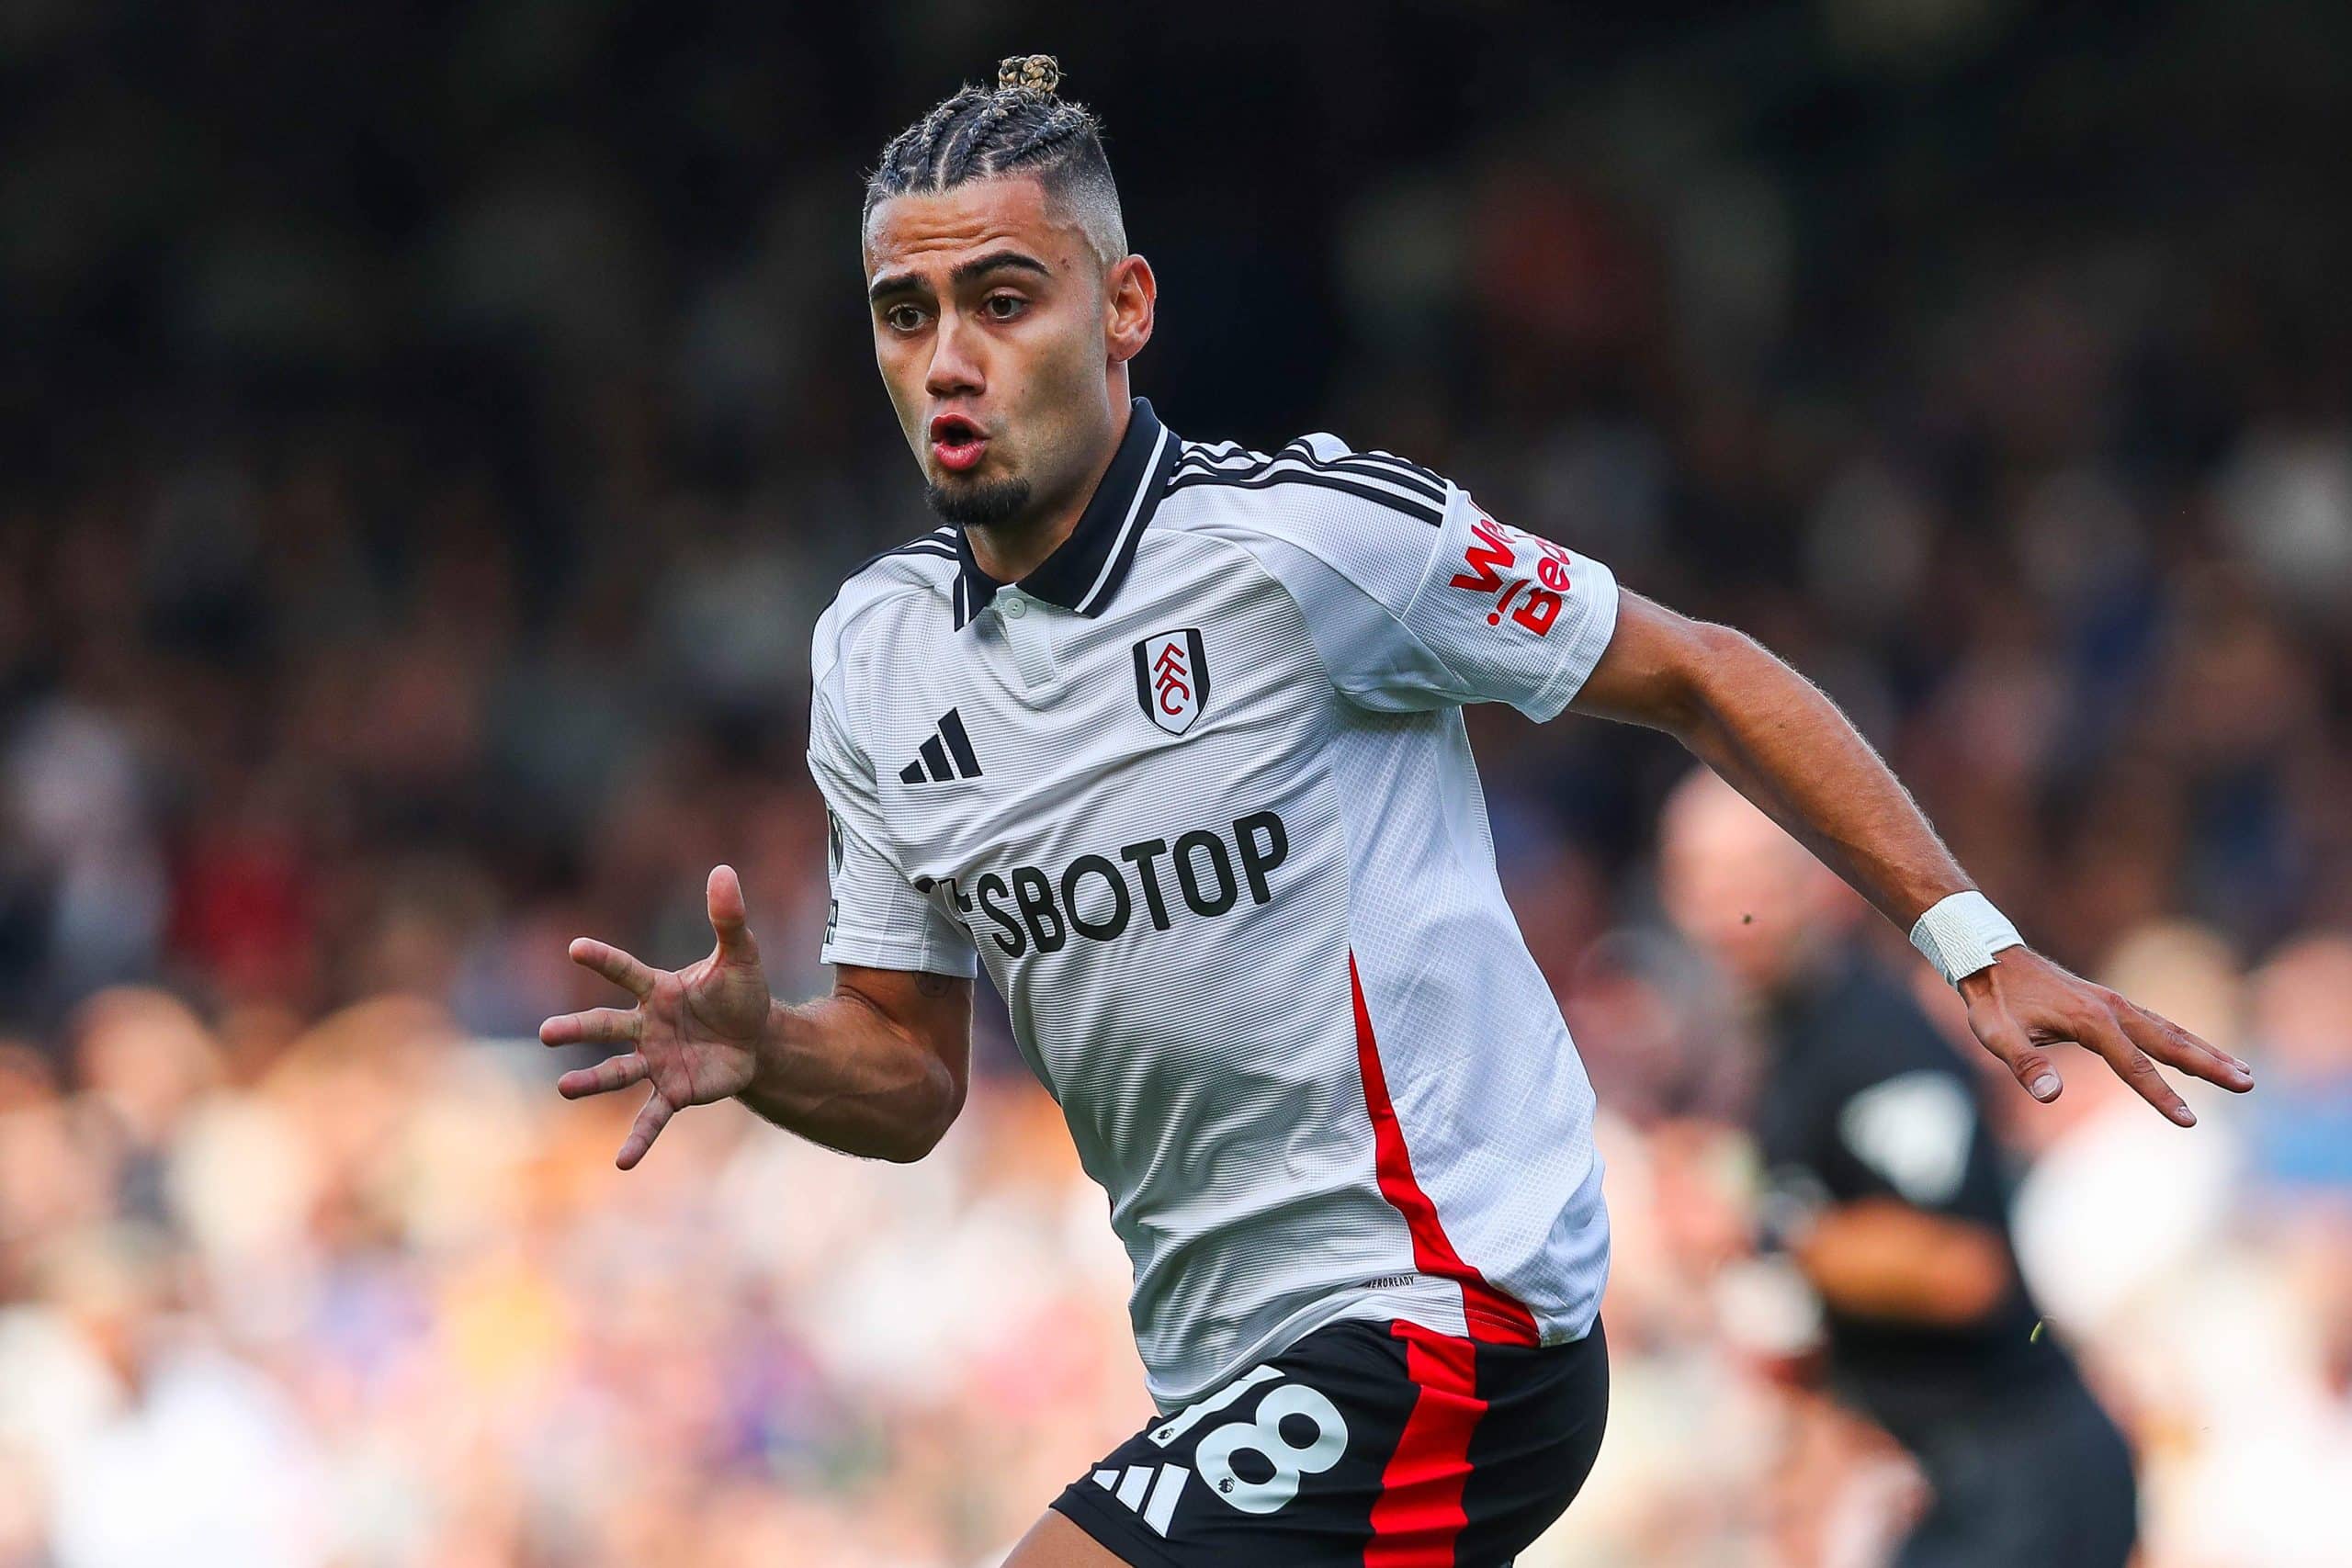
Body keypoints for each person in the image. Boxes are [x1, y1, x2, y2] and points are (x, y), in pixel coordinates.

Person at [536, 55, 2252, 1567]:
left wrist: (1974, 934)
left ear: (1124, 308)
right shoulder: (878, 657)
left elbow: (1706, 673)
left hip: (1454, 1315)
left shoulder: (1312, 551)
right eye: (908, 318)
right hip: (1225, 1356)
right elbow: (911, 1072)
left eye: (1004, 298)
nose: (949, 358)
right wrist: (769, 1054)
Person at [1660, 769, 2140, 1567]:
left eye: (1752, 882)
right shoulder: (1792, 1047)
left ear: (1825, 889)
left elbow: (1959, 1267)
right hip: (1961, 1481)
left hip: (2032, 1477)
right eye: (1700, 881)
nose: (1727, 911)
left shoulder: (1873, 1041)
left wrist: (1758, 1231)